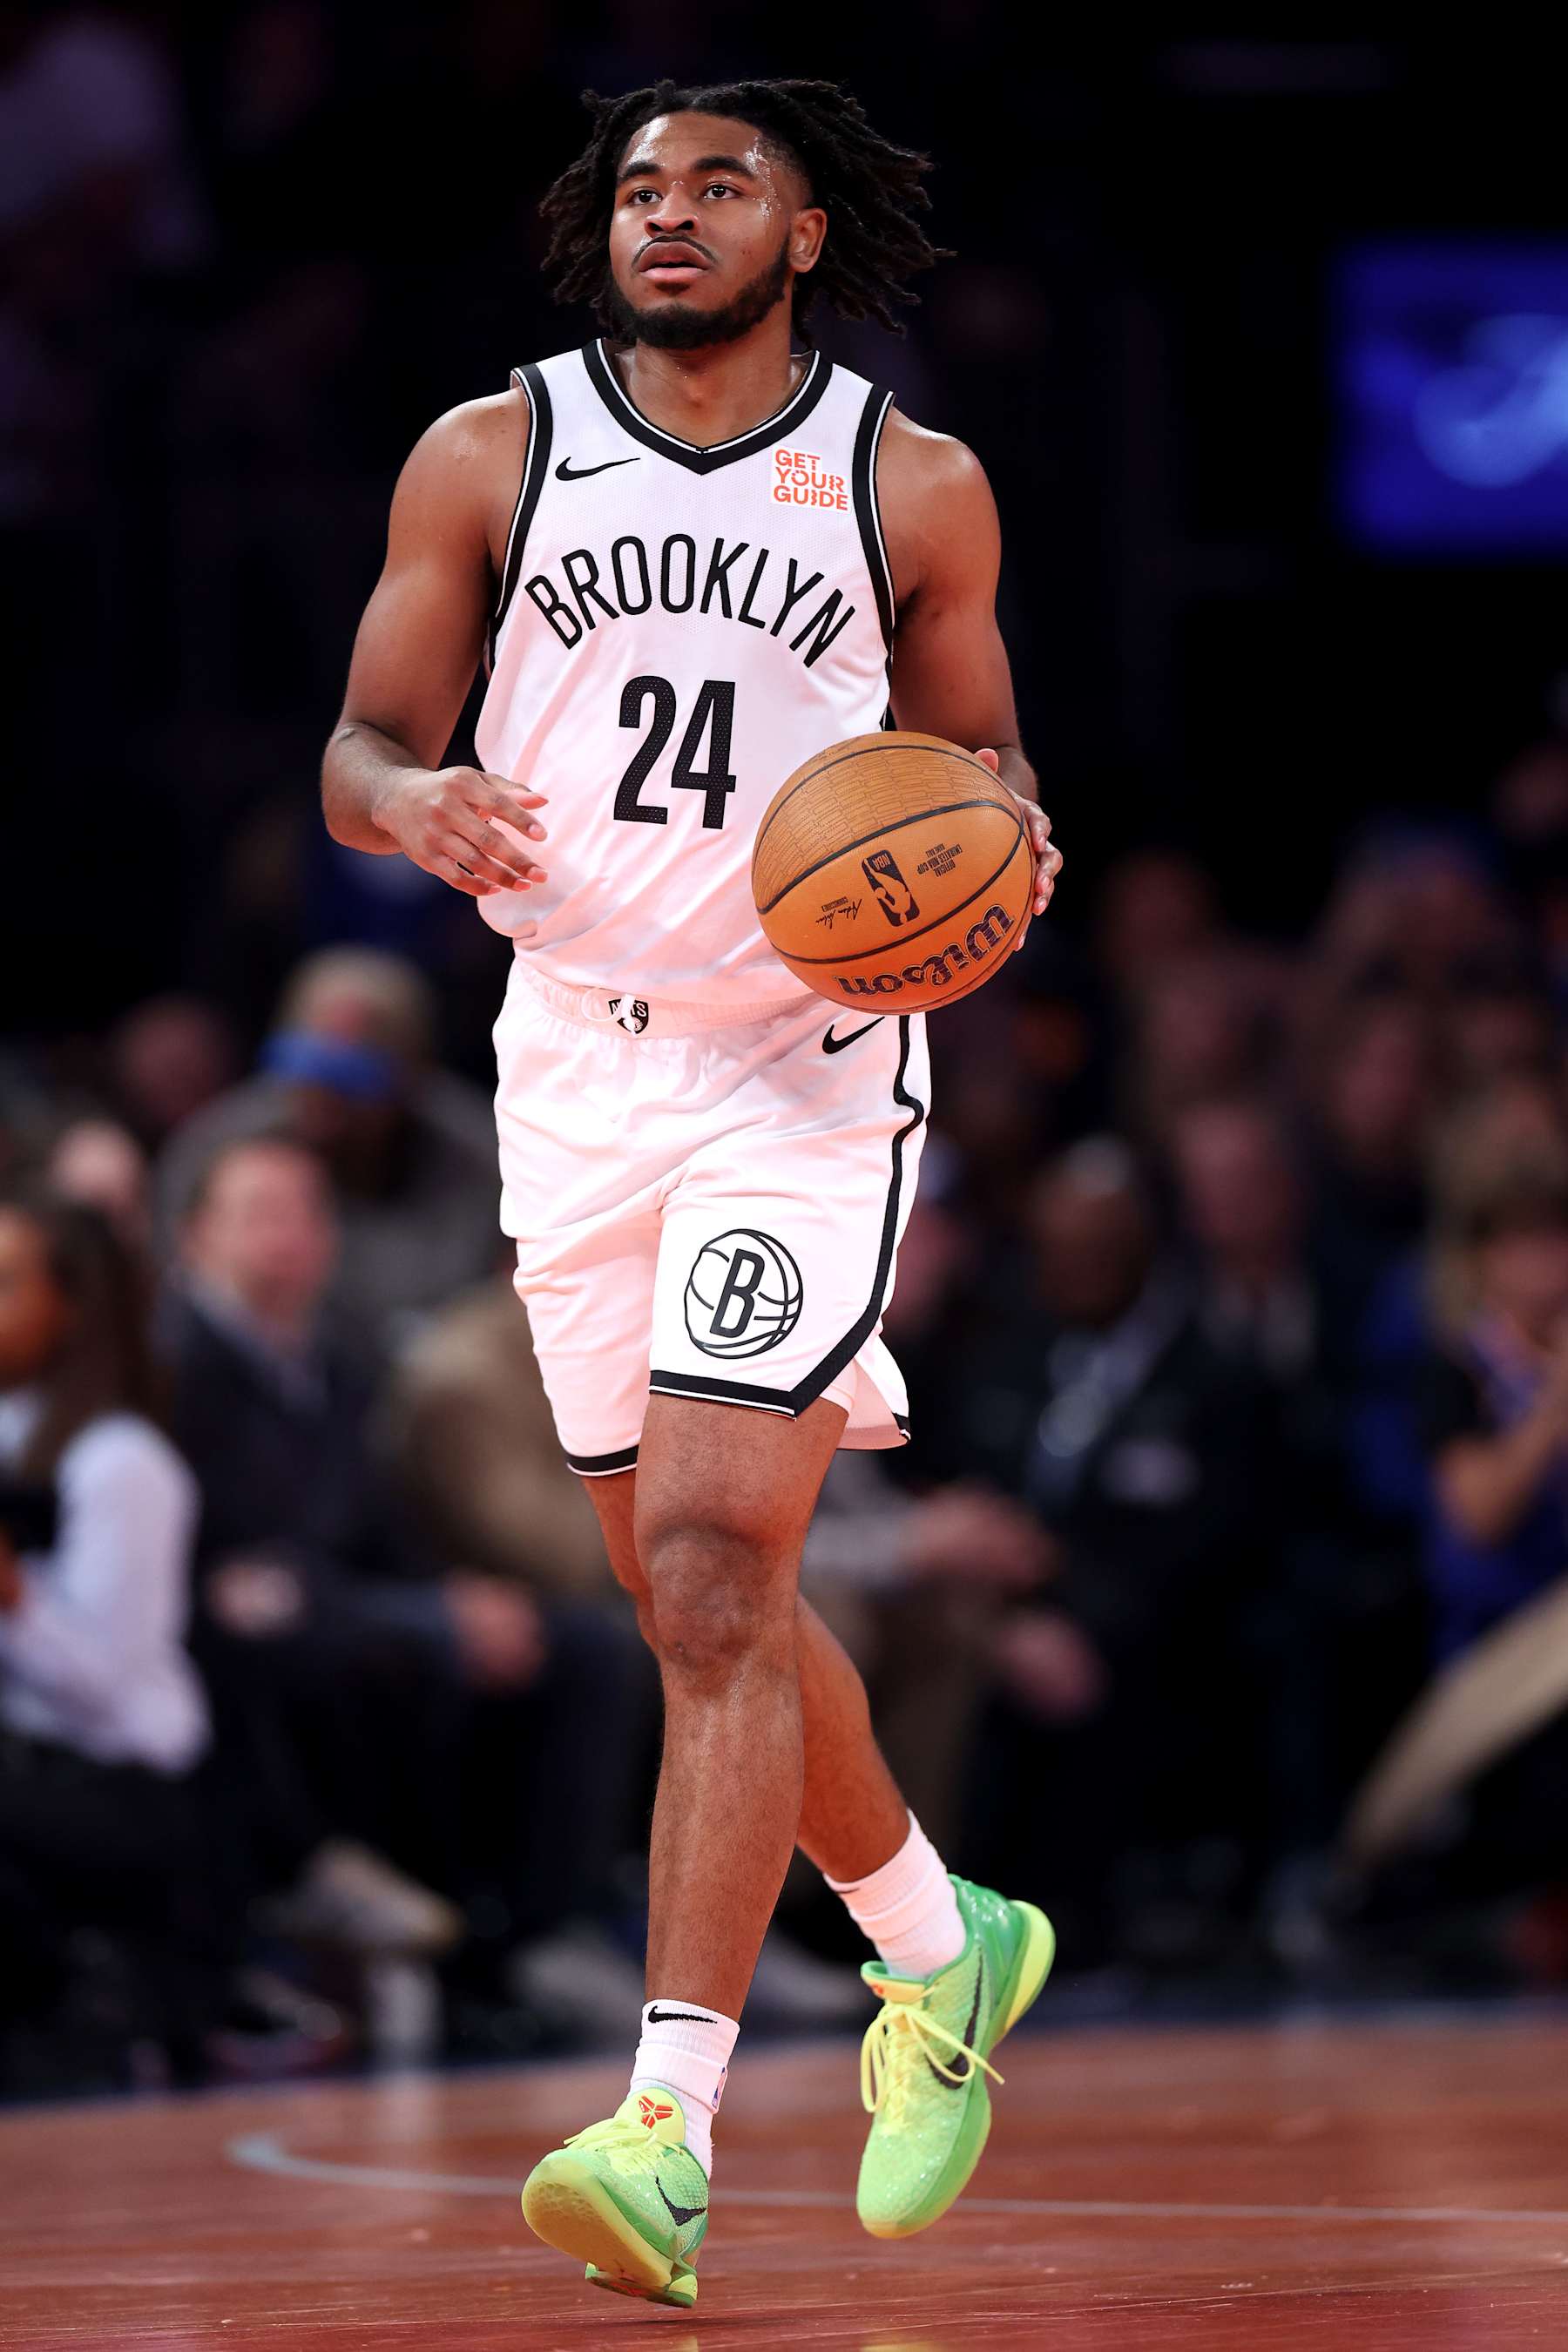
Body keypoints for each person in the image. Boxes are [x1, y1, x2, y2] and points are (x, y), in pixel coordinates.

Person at [320, 74, 1063, 2307]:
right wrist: (410, 805)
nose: (669, 215)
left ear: (807, 229)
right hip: (570, 1066)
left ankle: (666, 2121)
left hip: (801, 1070)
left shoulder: (909, 482)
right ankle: (947, 1939)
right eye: (642, 185)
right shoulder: (490, 448)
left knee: (733, 1561)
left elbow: (990, 767)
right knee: (694, 1602)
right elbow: (359, 741)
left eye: (719, 182)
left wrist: (998, 845)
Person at [0, 1189, 213, 2085]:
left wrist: (15, 1600)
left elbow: (110, 1691)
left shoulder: (122, 1463)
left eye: (6, 1283)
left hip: (119, 1784)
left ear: (74, 1306)